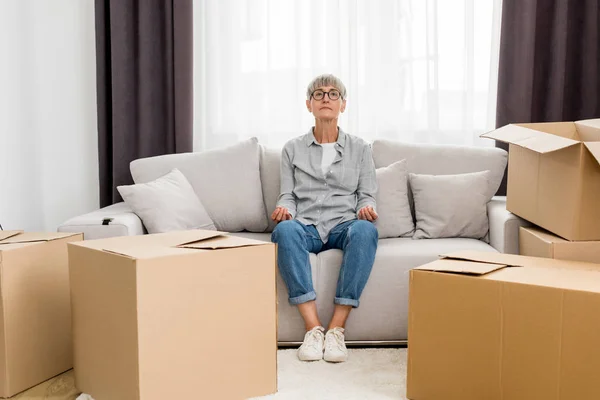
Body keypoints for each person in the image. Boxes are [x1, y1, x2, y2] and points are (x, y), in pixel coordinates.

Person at [271, 74, 378, 363]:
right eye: (319, 94)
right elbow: (287, 194)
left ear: (343, 105)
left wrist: (366, 209)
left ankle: (336, 330)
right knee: (285, 230)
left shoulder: (360, 148)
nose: (326, 98)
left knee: (366, 232)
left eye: (333, 94)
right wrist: (286, 210)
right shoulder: (292, 148)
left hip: (343, 223)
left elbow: (366, 194)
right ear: (309, 105)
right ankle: (313, 329)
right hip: (305, 225)